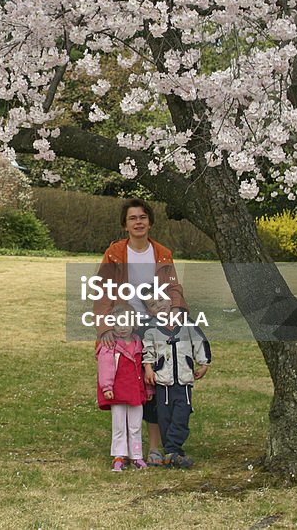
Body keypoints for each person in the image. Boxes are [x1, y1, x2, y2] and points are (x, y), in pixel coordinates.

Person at [95, 198, 187, 467]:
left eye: (143, 217)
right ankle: (126, 447)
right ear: (125, 224)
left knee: (158, 384)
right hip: (127, 329)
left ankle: (156, 447)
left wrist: (179, 313)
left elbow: (173, 289)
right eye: (133, 218)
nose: (138, 222)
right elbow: (102, 291)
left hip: (156, 324)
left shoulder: (161, 253)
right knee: (134, 385)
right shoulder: (114, 253)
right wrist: (105, 328)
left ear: (150, 222)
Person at [142, 320, 211, 468]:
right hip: (163, 383)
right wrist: (148, 367)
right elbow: (148, 351)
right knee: (164, 418)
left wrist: (204, 364)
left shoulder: (187, 328)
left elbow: (199, 343)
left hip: (183, 383)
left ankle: (172, 450)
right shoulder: (152, 331)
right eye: (153, 305)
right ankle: (172, 454)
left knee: (181, 416)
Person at [96, 303, 149, 471]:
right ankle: (119, 456)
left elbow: (143, 368)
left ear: (134, 323)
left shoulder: (138, 343)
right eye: (118, 323)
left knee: (135, 425)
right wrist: (107, 387)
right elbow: (105, 367)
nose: (123, 327)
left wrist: (148, 389)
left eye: (126, 322)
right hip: (117, 392)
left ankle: (136, 456)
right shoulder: (110, 345)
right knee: (119, 425)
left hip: (135, 391)